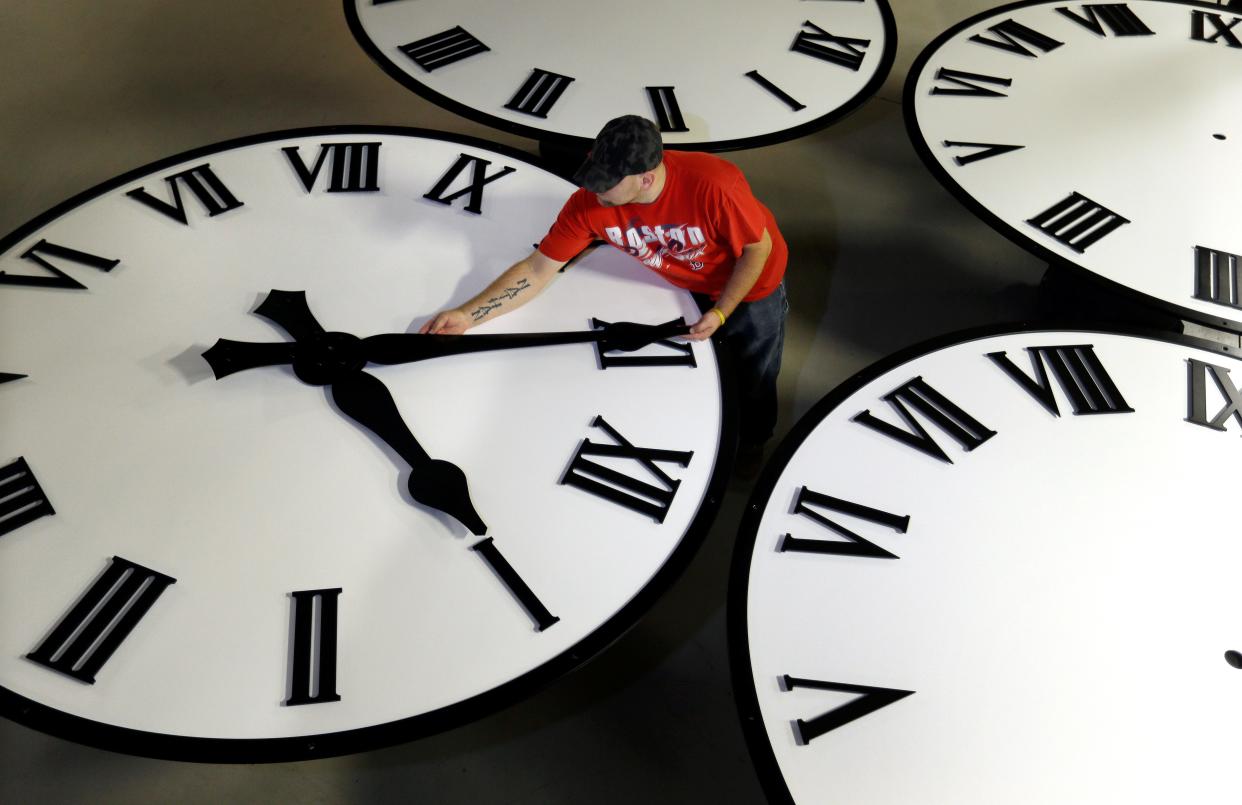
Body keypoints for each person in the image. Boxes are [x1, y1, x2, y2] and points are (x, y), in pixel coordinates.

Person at [421, 115, 789, 459]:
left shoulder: (714, 184)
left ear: (645, 178)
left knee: (754, 370)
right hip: (684, 282)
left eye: (607, 184)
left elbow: (758, 250)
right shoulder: (587, 204)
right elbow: (537, 270)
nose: (595, 192)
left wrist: (723, 310)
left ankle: (754, 442)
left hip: (750, 285)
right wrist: (467, 314)